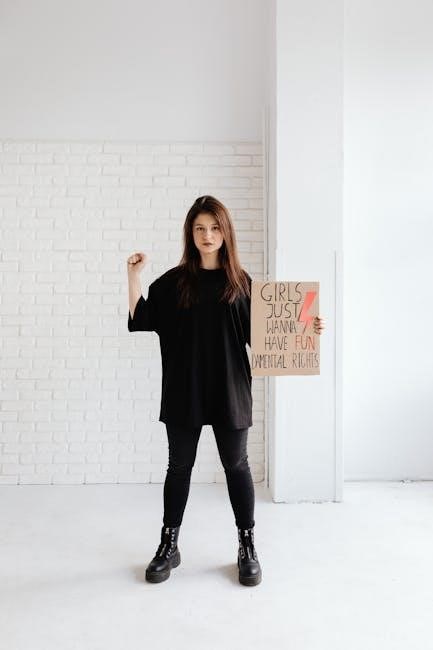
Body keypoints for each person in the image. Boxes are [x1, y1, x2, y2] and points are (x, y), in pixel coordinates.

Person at [127, 195, 325, 587]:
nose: (207, 235)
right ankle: (169, 544)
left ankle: (247, 545)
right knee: (179, 467)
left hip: (230, 389)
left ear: (226, 232)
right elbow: (141, 317)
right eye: (200, 228)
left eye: (215, 228)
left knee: (236, 466)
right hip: (184, 390)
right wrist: (132, 275)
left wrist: (308, 328)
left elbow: (266, 338)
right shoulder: (173, 283)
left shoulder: (242, 284)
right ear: (190, 233)